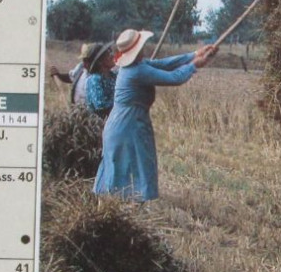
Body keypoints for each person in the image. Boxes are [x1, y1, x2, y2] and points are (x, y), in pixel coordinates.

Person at [93, 28, 218, 202]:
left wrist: (195, 54)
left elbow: (164, 64)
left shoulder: (136, 65)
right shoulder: (136, 71)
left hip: (124, 123)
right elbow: (174, 78)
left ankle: (124, 209)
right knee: (132, 167)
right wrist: (195, 64)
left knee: (127, 168)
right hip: (127, 125)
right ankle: (125, 210)